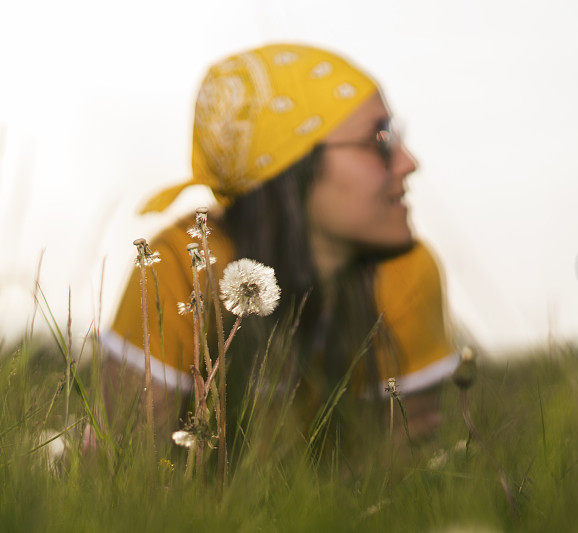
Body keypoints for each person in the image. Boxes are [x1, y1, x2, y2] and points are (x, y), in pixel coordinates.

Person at [102, 43, 458, 448]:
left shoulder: (407, 271)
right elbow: (124, 469)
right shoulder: (181, 268)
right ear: (293, 167)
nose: (408, 161)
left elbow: (404, 474)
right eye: (379, 139)